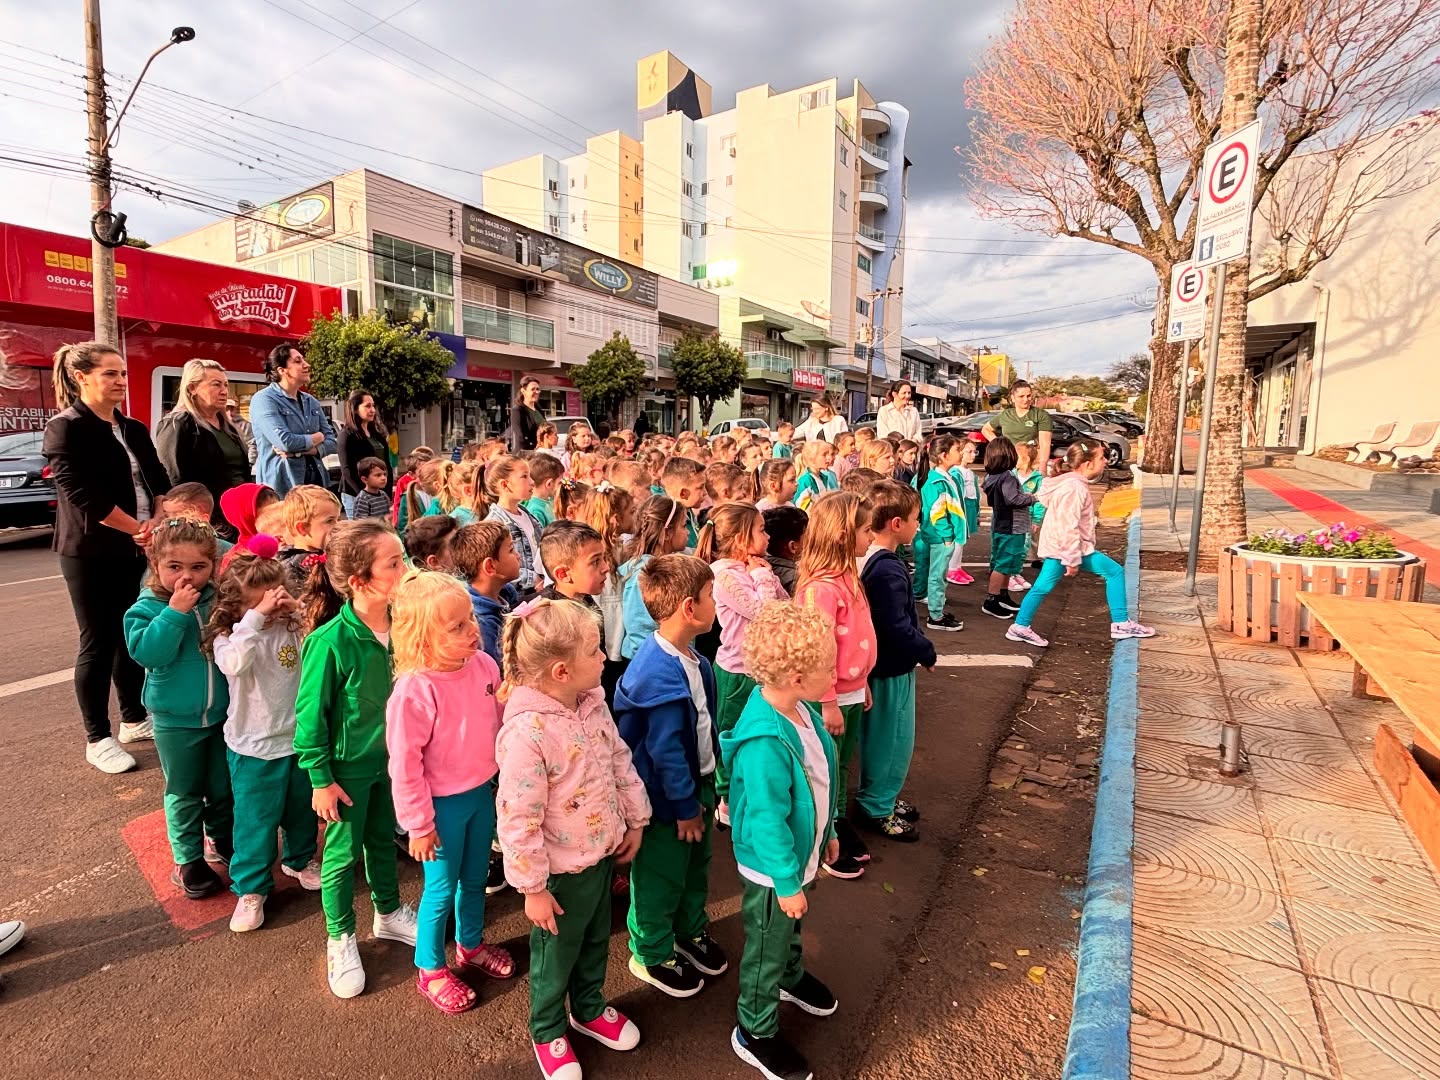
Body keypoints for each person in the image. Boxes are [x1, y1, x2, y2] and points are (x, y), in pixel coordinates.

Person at [494, 598, 651, 1080]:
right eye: (595, 651)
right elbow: (518, 818)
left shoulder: (591, 704)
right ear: (562, 671)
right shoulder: (527, 734)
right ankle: (547, 1030)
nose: (605, 657)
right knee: (554, 957)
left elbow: (618, 759)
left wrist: (635, 818)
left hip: (600, 856)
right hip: (558, 876)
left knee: (595, 941)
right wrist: (533, 888)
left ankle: (588, 1007)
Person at [294, 519, 417, 999]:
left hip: (394, 764)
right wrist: (320, 778)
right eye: (394, 563)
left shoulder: (405, 624)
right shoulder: (329, 641)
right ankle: (340, 936)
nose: (406, 570)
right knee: (342, 857)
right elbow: (309, 717)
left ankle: (388, 912)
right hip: (347, 771)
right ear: (359, 580)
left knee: (383, 842)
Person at [720, 600, 840, 1080]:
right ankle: (755, 1028)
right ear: (796, 677)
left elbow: (819, 781)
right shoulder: (766, 740)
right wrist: (787, 881)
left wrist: (829, 831)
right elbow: (768, 819)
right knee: (765, 949)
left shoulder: (799, 710)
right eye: (828, 667)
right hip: (774, 869)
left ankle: (790, 976)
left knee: (787, 931)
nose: (834, 672)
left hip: (797, 856)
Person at [386, 571, 514, 1014]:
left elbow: (500, 718)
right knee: (440, 890)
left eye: (470, 620)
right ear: (422, 639)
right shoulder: (414, 690)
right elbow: (404, 764)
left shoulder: (485, 666)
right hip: (439, 809)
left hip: (481, 794)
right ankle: (430, 968)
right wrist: (418, 826)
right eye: (457, 627)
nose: (472, 630)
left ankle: (471, 945)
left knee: (476, 878)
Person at [45, 341, 171, 774]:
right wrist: (136, 527)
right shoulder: (66, 428)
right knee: (97, 640)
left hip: (139, 544)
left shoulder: (132, 428)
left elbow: (158, 478)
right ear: (81, 377)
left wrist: (156, 518)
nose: (120, 381)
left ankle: (133, 719)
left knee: (129, 634)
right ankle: (97, 737)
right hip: (90, 552)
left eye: (123, 374)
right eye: (110, 374)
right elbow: (81, 495)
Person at [613, 554, 727, 999]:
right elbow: (666, 754)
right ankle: (650, 951)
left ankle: (689, 929)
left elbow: (704, 728)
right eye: (711, 595)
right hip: (666, 802)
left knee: (695, 867)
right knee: (660, 877)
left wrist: (712, 782)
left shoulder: (693, 659)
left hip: (695, 788)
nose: (717, 603)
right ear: (689, 608)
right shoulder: (656, 673)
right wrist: (683, 808)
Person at [205, 536, 320, 932]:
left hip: (297, 740)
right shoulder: (230, 638)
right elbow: (235, 665)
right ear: (237, 607)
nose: (270, 609)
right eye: (258, 604)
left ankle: (300, 859)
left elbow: (317, 644)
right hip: (253, 747)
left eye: (274, 598)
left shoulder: (291, 626)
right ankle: (251, 887)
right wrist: (254, 620)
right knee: (255, 821)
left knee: (301, 809)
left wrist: (299, 610)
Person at [123, 519, 233, 900]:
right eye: (174, 566)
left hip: (222, 716)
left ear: (212, 565)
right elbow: (148, 653)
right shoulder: (146, 608)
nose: (187, 576)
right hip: (175, 722)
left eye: (198, 567)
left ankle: (222, 839)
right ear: (155, 564)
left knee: (222, 786)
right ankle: (188, 860)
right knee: (185, 791)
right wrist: (174, 613)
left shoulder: (217, 598)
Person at [796, 492, 877, 880]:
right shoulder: (821, 589)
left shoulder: (848, 577)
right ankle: (821, 839)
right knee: (822, 769)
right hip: (829, 698)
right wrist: (827, 701)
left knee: (841, 764)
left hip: (851, 691)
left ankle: (836, 823)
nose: (871, 537)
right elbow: (816, 651)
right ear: (844, 535)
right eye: (866, 530)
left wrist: (862, 683)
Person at [1006, 441, 1157, 648]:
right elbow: (1068, 524)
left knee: (1041, 587)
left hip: (1061, 547)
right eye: (1101, 458)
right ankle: (1121, 623)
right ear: (1087, 464)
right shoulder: (1074, 488)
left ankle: (1020, 626)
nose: (1105, 462)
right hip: (1069, 548)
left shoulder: (1067, 483)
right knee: (1114, 572)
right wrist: (1071, 559)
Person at [696, 504, 787, 829]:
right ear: (740, 538)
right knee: (731, 736)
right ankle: (726, 801)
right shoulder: (724, 575)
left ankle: (748, 793)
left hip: (761, 670)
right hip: (738, 673)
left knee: (757, 735)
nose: (768, 535)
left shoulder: (752, 568)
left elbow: (784, 603)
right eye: (761, 530)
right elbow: (767, 614)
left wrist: (766, 575)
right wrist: (762, 576)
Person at [857, 481, 935, 842]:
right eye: (916, 518)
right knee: (893, 741)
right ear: (897, 523)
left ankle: (881, 796)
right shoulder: (886, 569)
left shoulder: (876, 560)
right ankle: (878, 806)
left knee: (883, 739)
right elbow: (897, 625)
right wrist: (925, 650)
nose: (919, 524)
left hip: (882, 666)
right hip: (891, 668)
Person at [155, 358, 252, 538]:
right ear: (192, 388)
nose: (224, 391)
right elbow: (173, 479)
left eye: (225, 385)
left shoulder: (228, 427)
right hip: (206, 523)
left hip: (239, 517)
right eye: (216, 384)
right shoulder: (179, 423)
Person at [248, 343, 336, 497]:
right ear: (282, 370)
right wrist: (317, 437)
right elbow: (285, 442)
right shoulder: (264, 400)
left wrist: (307, 451)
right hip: (281, 489)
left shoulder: (311, 401)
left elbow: (332, 442)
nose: (306, 365)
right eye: (298, 361)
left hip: (316, 485)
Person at [619, 496, 692, 660]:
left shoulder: (671, 563)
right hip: (653, 660)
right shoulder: (643, 574)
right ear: (667, 532)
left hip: (673, 654)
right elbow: (639, 629)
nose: (688, 531)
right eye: (683, 526)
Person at [913, 435, 968, 633]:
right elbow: (938, 512)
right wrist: (947, 537)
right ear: (944, 455)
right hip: (940, 537)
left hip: (934, 535)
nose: (961, 453)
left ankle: (930, 604)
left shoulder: (941, 477)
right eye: (957, 450)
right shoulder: (936, 481)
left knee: (931, 571)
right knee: (938, 575)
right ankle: (936, 615)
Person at [981, 436, 1038, 622]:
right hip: (1012, 527)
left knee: (1005, 564)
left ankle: (1002, 595)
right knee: (1003, 564)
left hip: (1001, 524)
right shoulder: (1008, 477)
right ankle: (992, 599)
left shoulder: (992, 476)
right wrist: (1032, 498)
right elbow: (1013, 499)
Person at [454, 522, 521, 668]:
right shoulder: (482, 625)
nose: (518, 555)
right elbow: (499, 669)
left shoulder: (507, 593)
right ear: (490, 566)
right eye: (511, 550)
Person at [485, 457, 547, 595]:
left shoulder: (529, 516)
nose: (532, 482)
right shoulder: (495, 524)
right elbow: (497, 567)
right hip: (520, 597)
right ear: (505, 485)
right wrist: (532, 579)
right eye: (524, 476)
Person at [276, 484, 343, 589]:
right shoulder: (293, 570)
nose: (337, 526)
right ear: (302, 528)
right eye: (329, 521)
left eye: (338, 519)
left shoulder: (328, 552)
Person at [337, 389, 393, 511]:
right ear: (355, 409)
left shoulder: (377, 434)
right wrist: (365, 495)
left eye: (373, 406)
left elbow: (387, 465)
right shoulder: (346, 436)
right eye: (367, 406)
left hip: (379, 494)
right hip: (355, 495)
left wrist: (388, 493)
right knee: (362, 524)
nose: (372, 410)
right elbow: (347, 470)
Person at [982, 380, 1053, 465]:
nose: (1025, 399)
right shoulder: (1005, 414)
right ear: (1013, 398)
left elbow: (1045, 445)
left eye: (1028, 396)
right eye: (1021, 396)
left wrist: (1043, 466)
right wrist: (1001, 446)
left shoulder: (1041, 415)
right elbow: (986, 429)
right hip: (1008, 462)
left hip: (1031, 463)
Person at [945, 438, 983, 587]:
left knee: (963, 539)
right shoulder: (955, 472)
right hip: (961, 508)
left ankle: (957, 566)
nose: (973, 455)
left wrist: (977, 511)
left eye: (975, 451)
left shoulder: (970, 472)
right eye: (969, 451)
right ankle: (951, 569)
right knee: (958, 539)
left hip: (970, 506)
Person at [660, 456, 707, 551]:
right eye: (700, 487)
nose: (705, 492)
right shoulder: (668, 519)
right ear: (683, 493)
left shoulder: (687, 510)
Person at [762, 506, 808, 597]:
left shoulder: (765, 566)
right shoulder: (797, 581)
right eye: (809, 537)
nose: (814, 540)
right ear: (793, 547)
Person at [793, 439, 839, 512]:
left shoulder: (823, 477)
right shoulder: (805, 481)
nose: (829, 457)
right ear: (812, 459)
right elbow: (803, 508)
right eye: (824, 455)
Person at [525, 454, 564, 528]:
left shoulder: (549, 499)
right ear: (549, 484)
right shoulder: (535, 511)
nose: (562, 485)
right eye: (559, 482)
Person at [509, 376, 545, 453]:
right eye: (533, 389)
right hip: (525, 453)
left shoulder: (539, 410)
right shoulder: (517, 410)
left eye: (538, 389)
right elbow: (520, 436)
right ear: (523, 391)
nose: (536, 392)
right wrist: (534, 448)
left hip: (540, 451)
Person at [226, 398, 257, 467]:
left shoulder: (245, 425)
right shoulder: (219, 424)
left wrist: (250, 462)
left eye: (232, 409)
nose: (229, 413)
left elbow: (252, 444)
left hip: (242, 464)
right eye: (226, 409)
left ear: (235, 410)